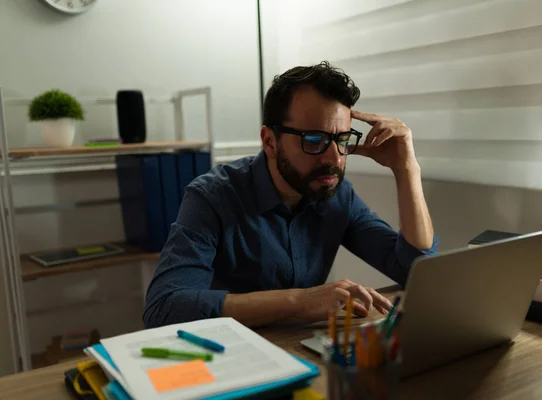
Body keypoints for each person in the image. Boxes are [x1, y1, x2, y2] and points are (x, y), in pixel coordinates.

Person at [143, 61, 438, 329]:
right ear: (270, 141)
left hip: (300, 352)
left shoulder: (336, 194)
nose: (334, 159)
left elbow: (417, 270)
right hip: (226, 358)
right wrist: (300, 301)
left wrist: (407, 168)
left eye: (342, 140)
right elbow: (164, 308)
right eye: (315, 140)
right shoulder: (213, 197)